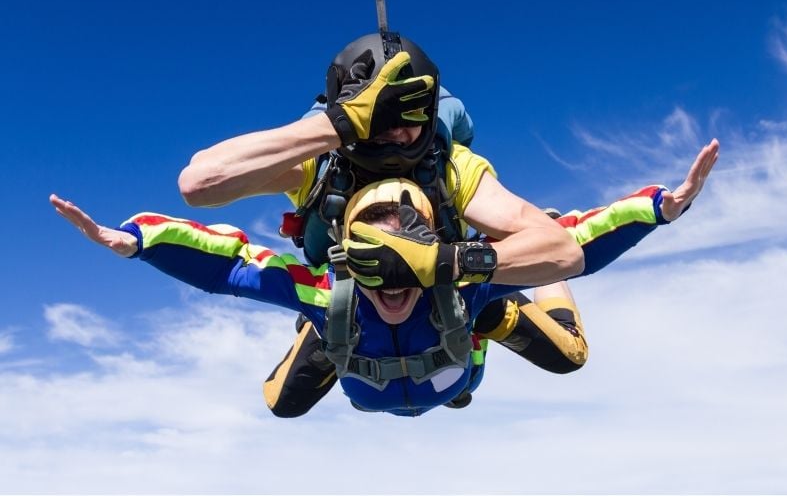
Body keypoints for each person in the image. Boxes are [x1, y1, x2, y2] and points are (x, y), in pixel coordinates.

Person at [49, 139, 718, 417]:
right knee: (283, 403)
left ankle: (500, 316)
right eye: (375, 249)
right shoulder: (330, 285)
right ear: (346, 251)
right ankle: (319, 333)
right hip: (361, 351)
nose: (394, 268)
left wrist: (661, 208)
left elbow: (574, 240)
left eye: (413, 243)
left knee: (568, 354)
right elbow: (230, 261)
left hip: (458, 341)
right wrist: (135, 241)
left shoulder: (459, 284)